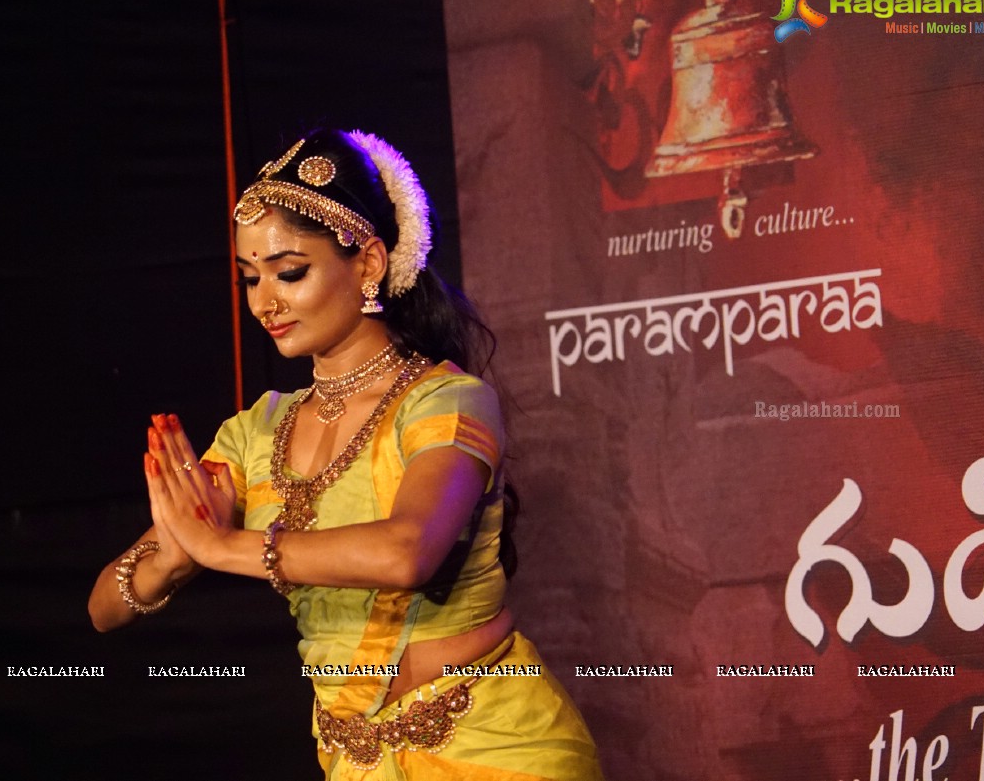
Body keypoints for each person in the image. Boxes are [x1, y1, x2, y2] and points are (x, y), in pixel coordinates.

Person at [88, 128, 604, 780]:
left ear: (366, 263)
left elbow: (405, 551)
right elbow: (103, 606)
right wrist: (172, 551)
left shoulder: (446, 401)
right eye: (250, 278)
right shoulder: (255, 432)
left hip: (494, 747)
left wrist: (221, 548)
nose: (263, 301)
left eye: (289, 272)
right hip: (353, 760)